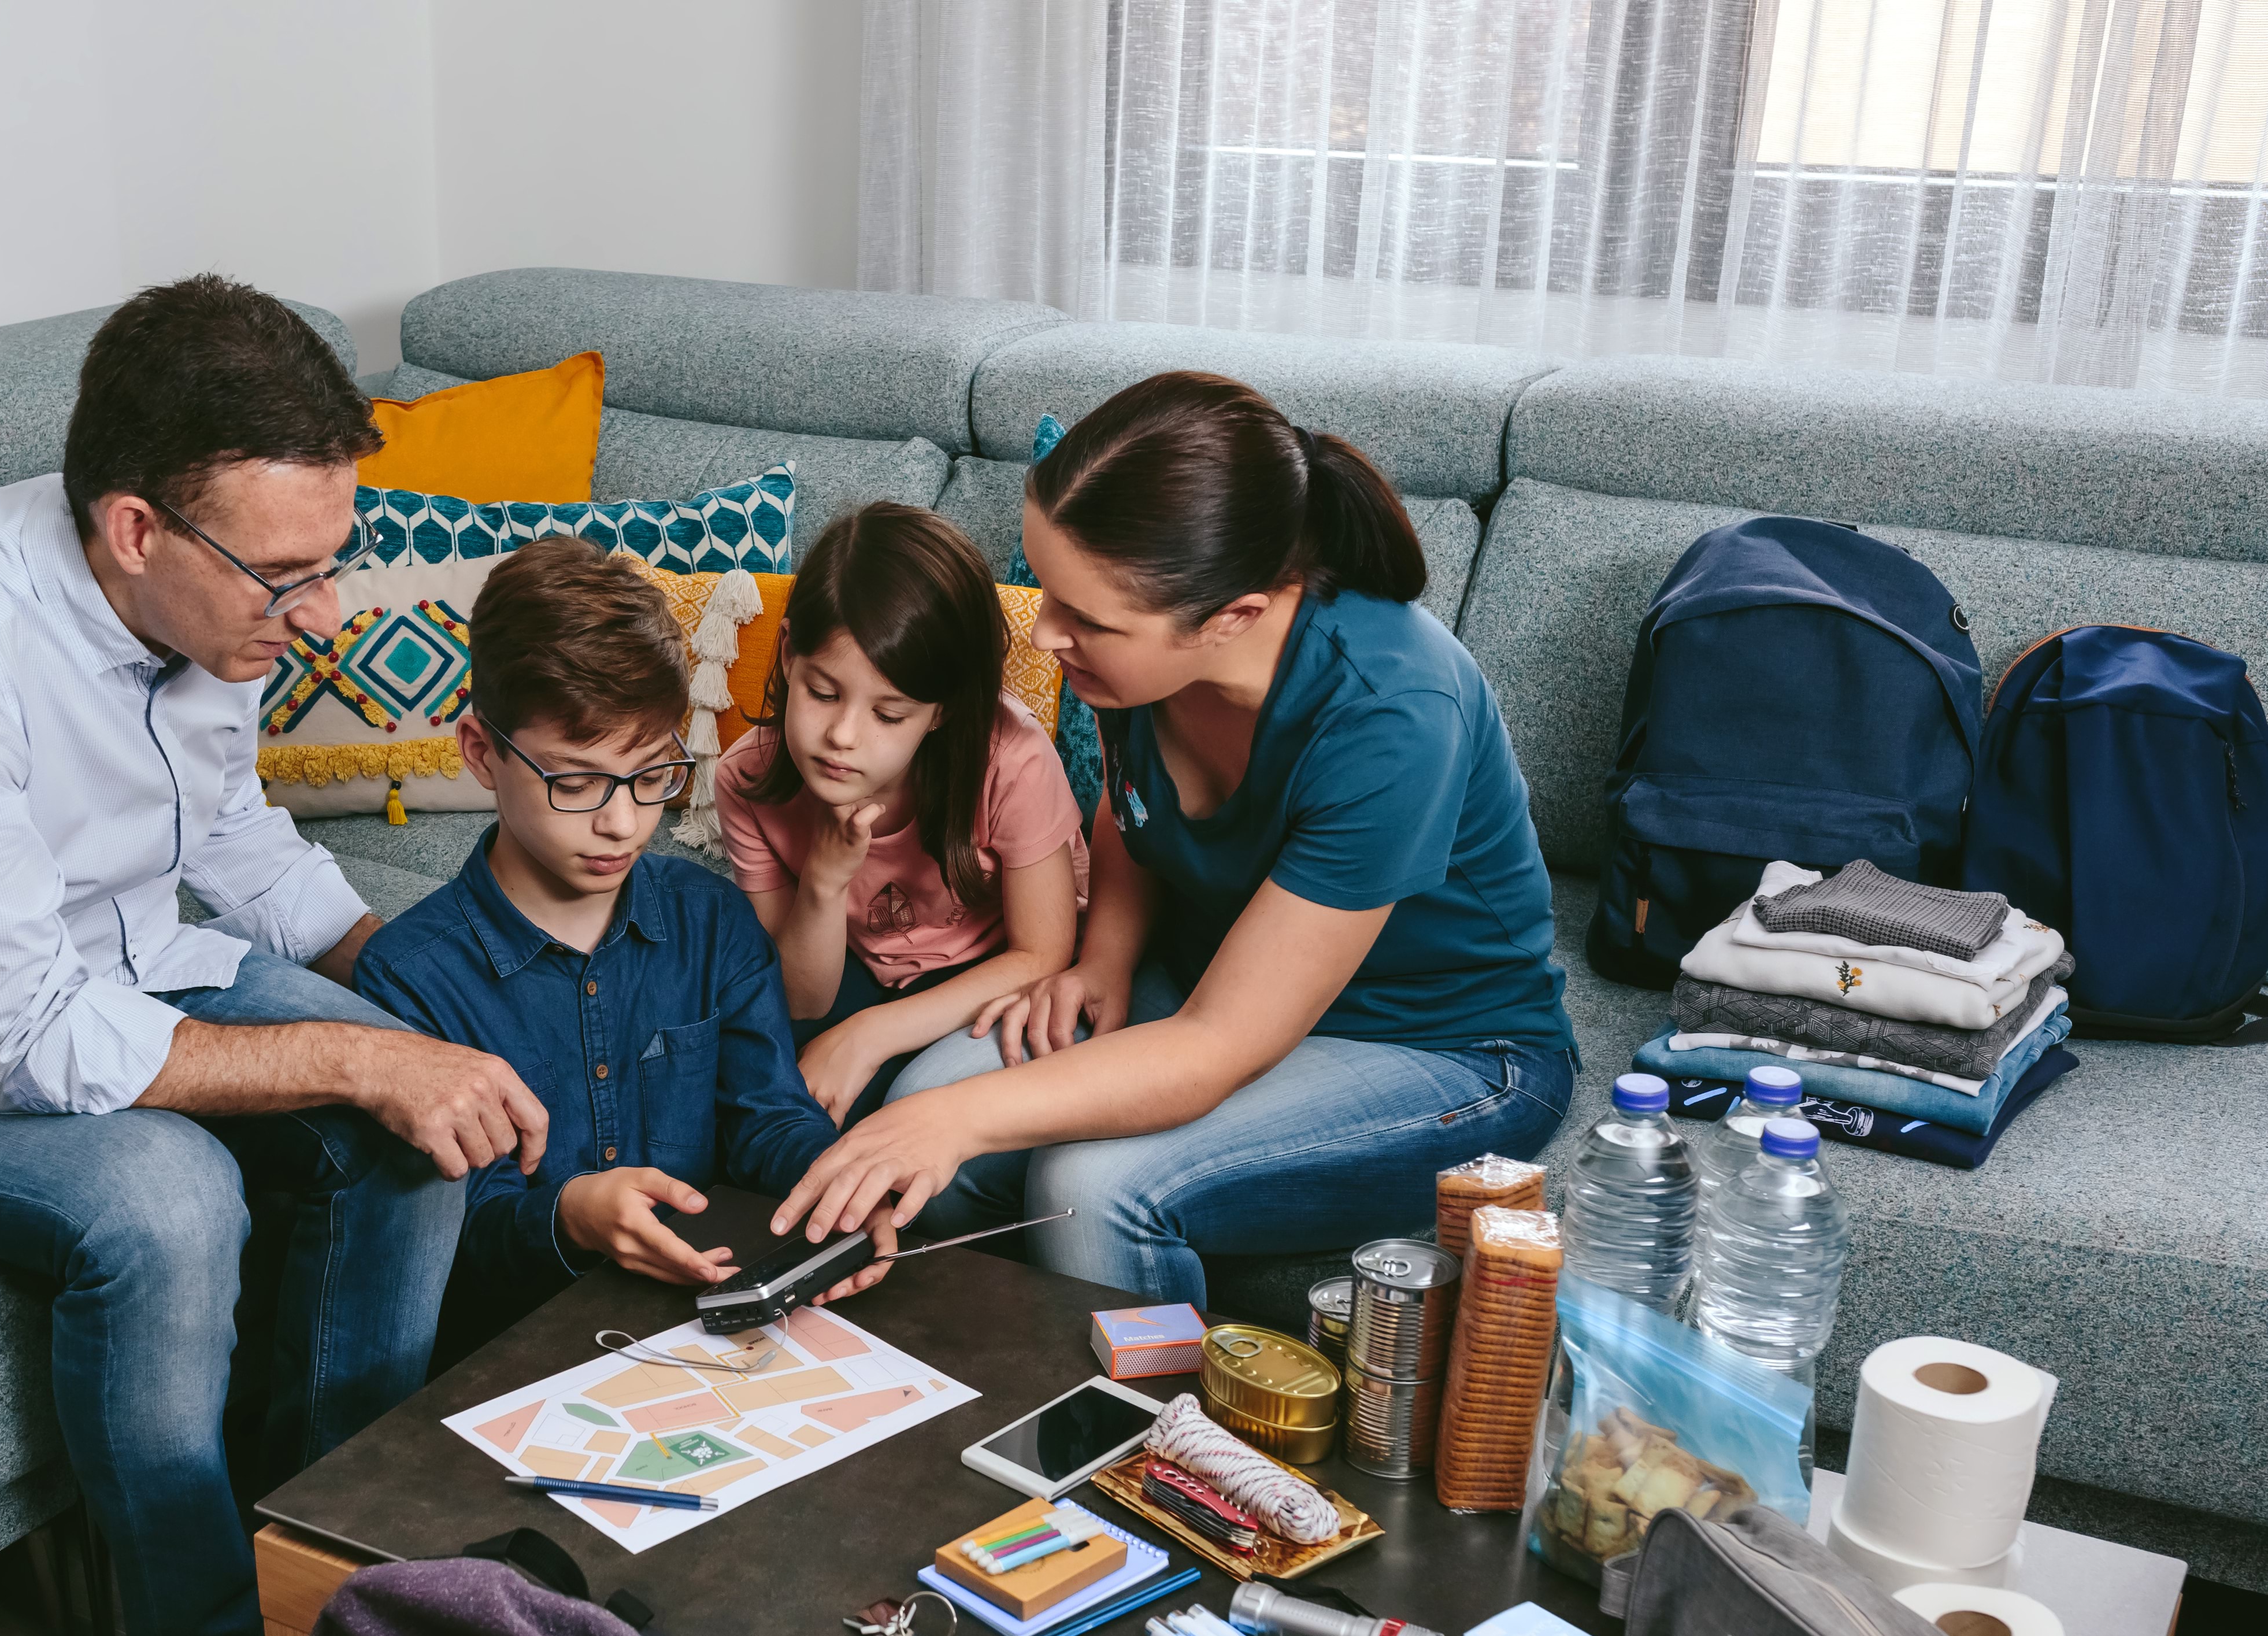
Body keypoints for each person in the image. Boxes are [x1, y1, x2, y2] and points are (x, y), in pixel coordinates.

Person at [0, 276, 546, 1636]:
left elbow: (229, 836)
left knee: (423, 1113)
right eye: (287, 577)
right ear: (134, 529)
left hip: (131, 960)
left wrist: (420, 1000)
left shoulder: (207, 603)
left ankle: (331, 1574)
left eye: (331, 561)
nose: (323, 612)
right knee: (173, 1201)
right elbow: (17, 1036)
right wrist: (360, 1064)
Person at [772, 370, 1577, 1304]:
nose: (1048, 641)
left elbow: (1217, 1044)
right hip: (1206, 978)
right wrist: (1105, 956)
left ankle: (1147, 1442)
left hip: (1447, 1049)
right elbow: (1132, 806)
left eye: (1085, 619)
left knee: (1090, 1189)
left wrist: (961, 1118)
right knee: (921, 1106)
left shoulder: (1392, 711)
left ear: (1231, 617)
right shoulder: (1129, 664)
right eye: (1052, 598)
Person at [353, 535, 893, 1362]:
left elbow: (765, 1115)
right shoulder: (408, 978)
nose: (622, 822)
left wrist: (840, 1183)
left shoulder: (709, 918)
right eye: (574, 781)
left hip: (703, 1334)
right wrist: (569, 1211)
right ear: (480, 754)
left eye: (651, 776)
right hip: (511, 1356)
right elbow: (446, 1239)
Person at [714, 503, 1084, 1125]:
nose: (842, 737)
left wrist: (869, 1035)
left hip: (992, 969)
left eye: (889, 716)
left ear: (939, 711)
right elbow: (802, 1000)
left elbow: (1042, 954)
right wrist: (825, 884)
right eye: (822, 693)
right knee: (749, 1096)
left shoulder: (1010, 758)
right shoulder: (745, 779)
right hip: (849, 968)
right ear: (786, 656)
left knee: (899, 1113)